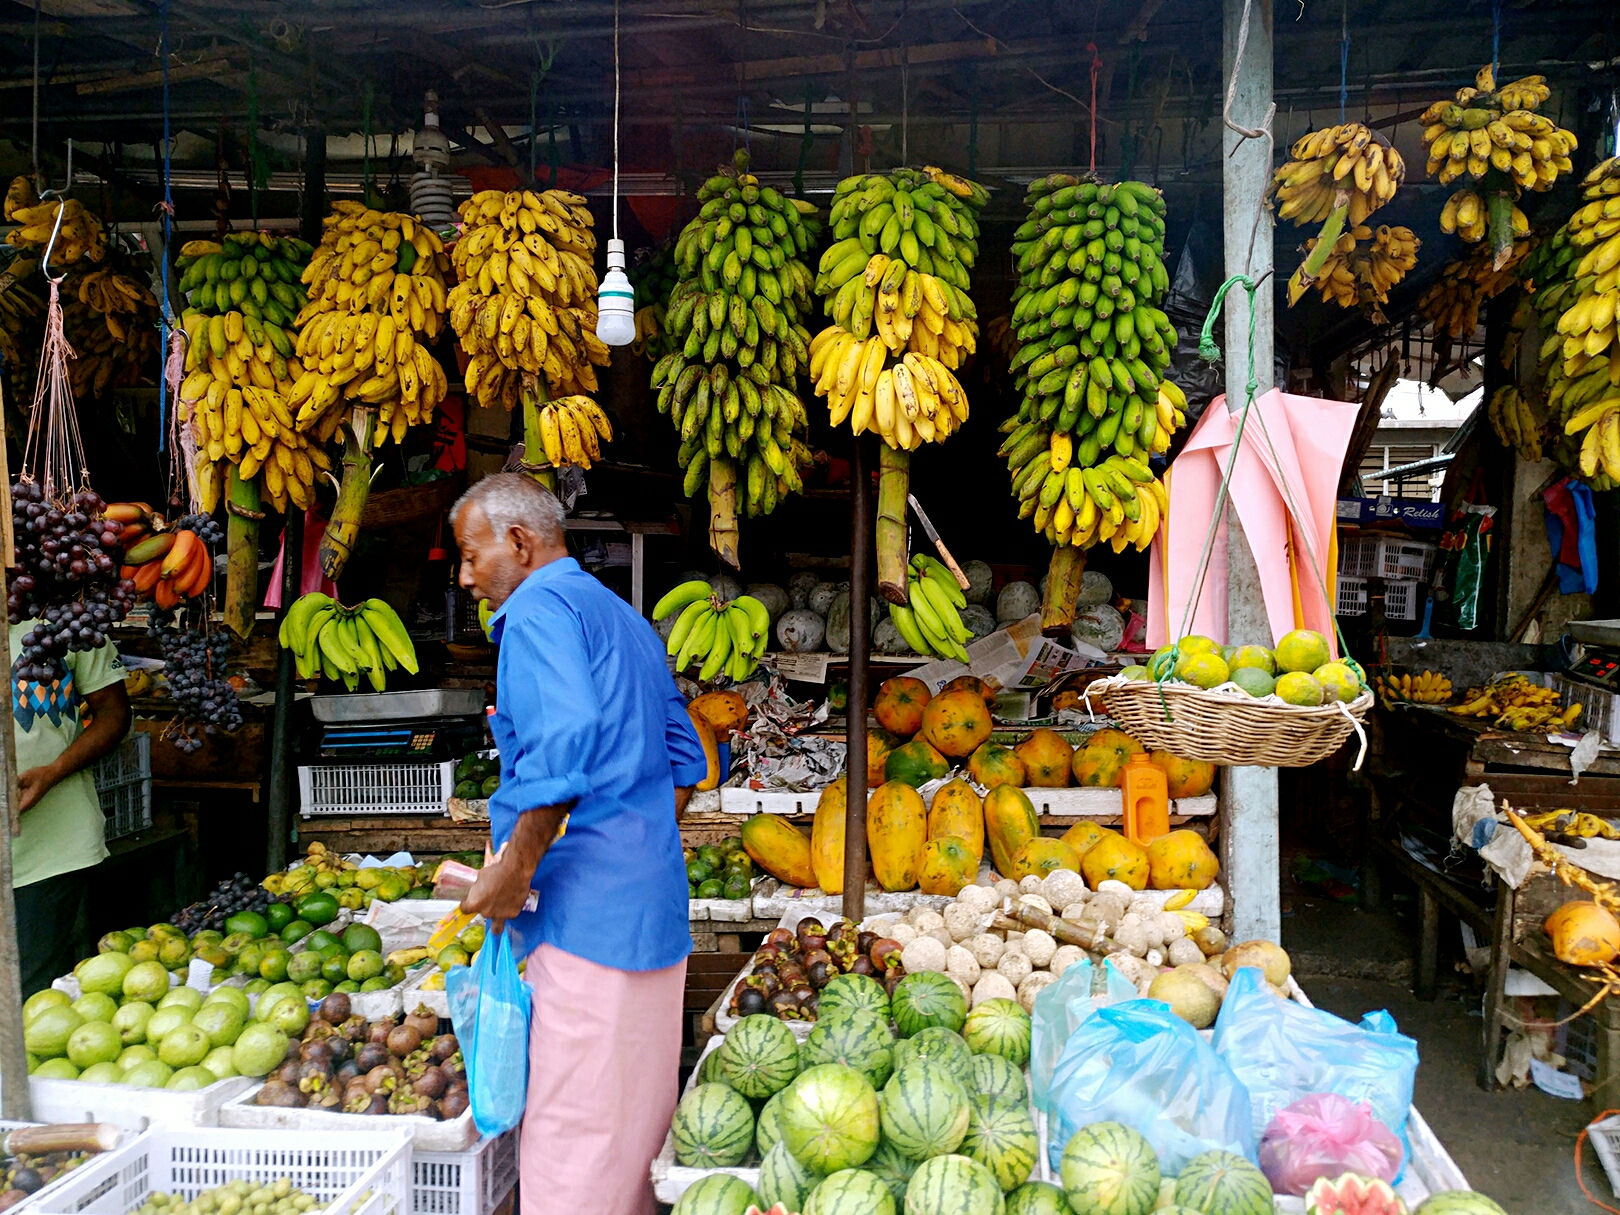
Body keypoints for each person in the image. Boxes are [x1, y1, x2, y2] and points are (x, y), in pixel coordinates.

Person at [452, 473, 706, 1215]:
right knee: (633, 1143)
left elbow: (564, 746)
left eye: (472, 554)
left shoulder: (535, 612)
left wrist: (517, 867)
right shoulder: (622, 617)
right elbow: (684, 760)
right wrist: (631, 837)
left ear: (520, 542)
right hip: (652, 917)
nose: (468, 577)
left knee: (574, 1145)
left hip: (583, 927)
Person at [10, 624, 130, 996]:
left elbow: (114, 714)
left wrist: (53, 773)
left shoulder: (64, 617)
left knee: (29, 996)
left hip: (48, 851)